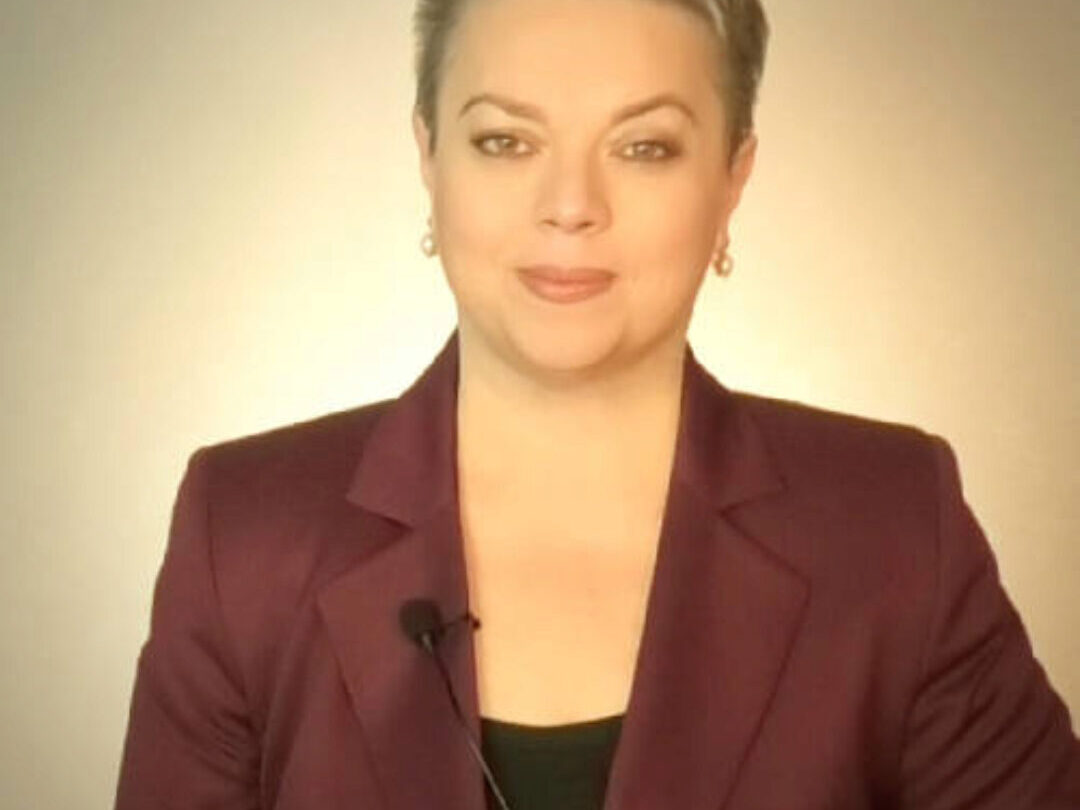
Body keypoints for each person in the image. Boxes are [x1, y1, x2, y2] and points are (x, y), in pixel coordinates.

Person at [114, 0, 1080, 808]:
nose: (571, 203)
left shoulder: (895, 527)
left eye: (644, 147)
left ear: (733, 179)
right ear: (428, 158)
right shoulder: (241, 533)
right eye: (505, 140)